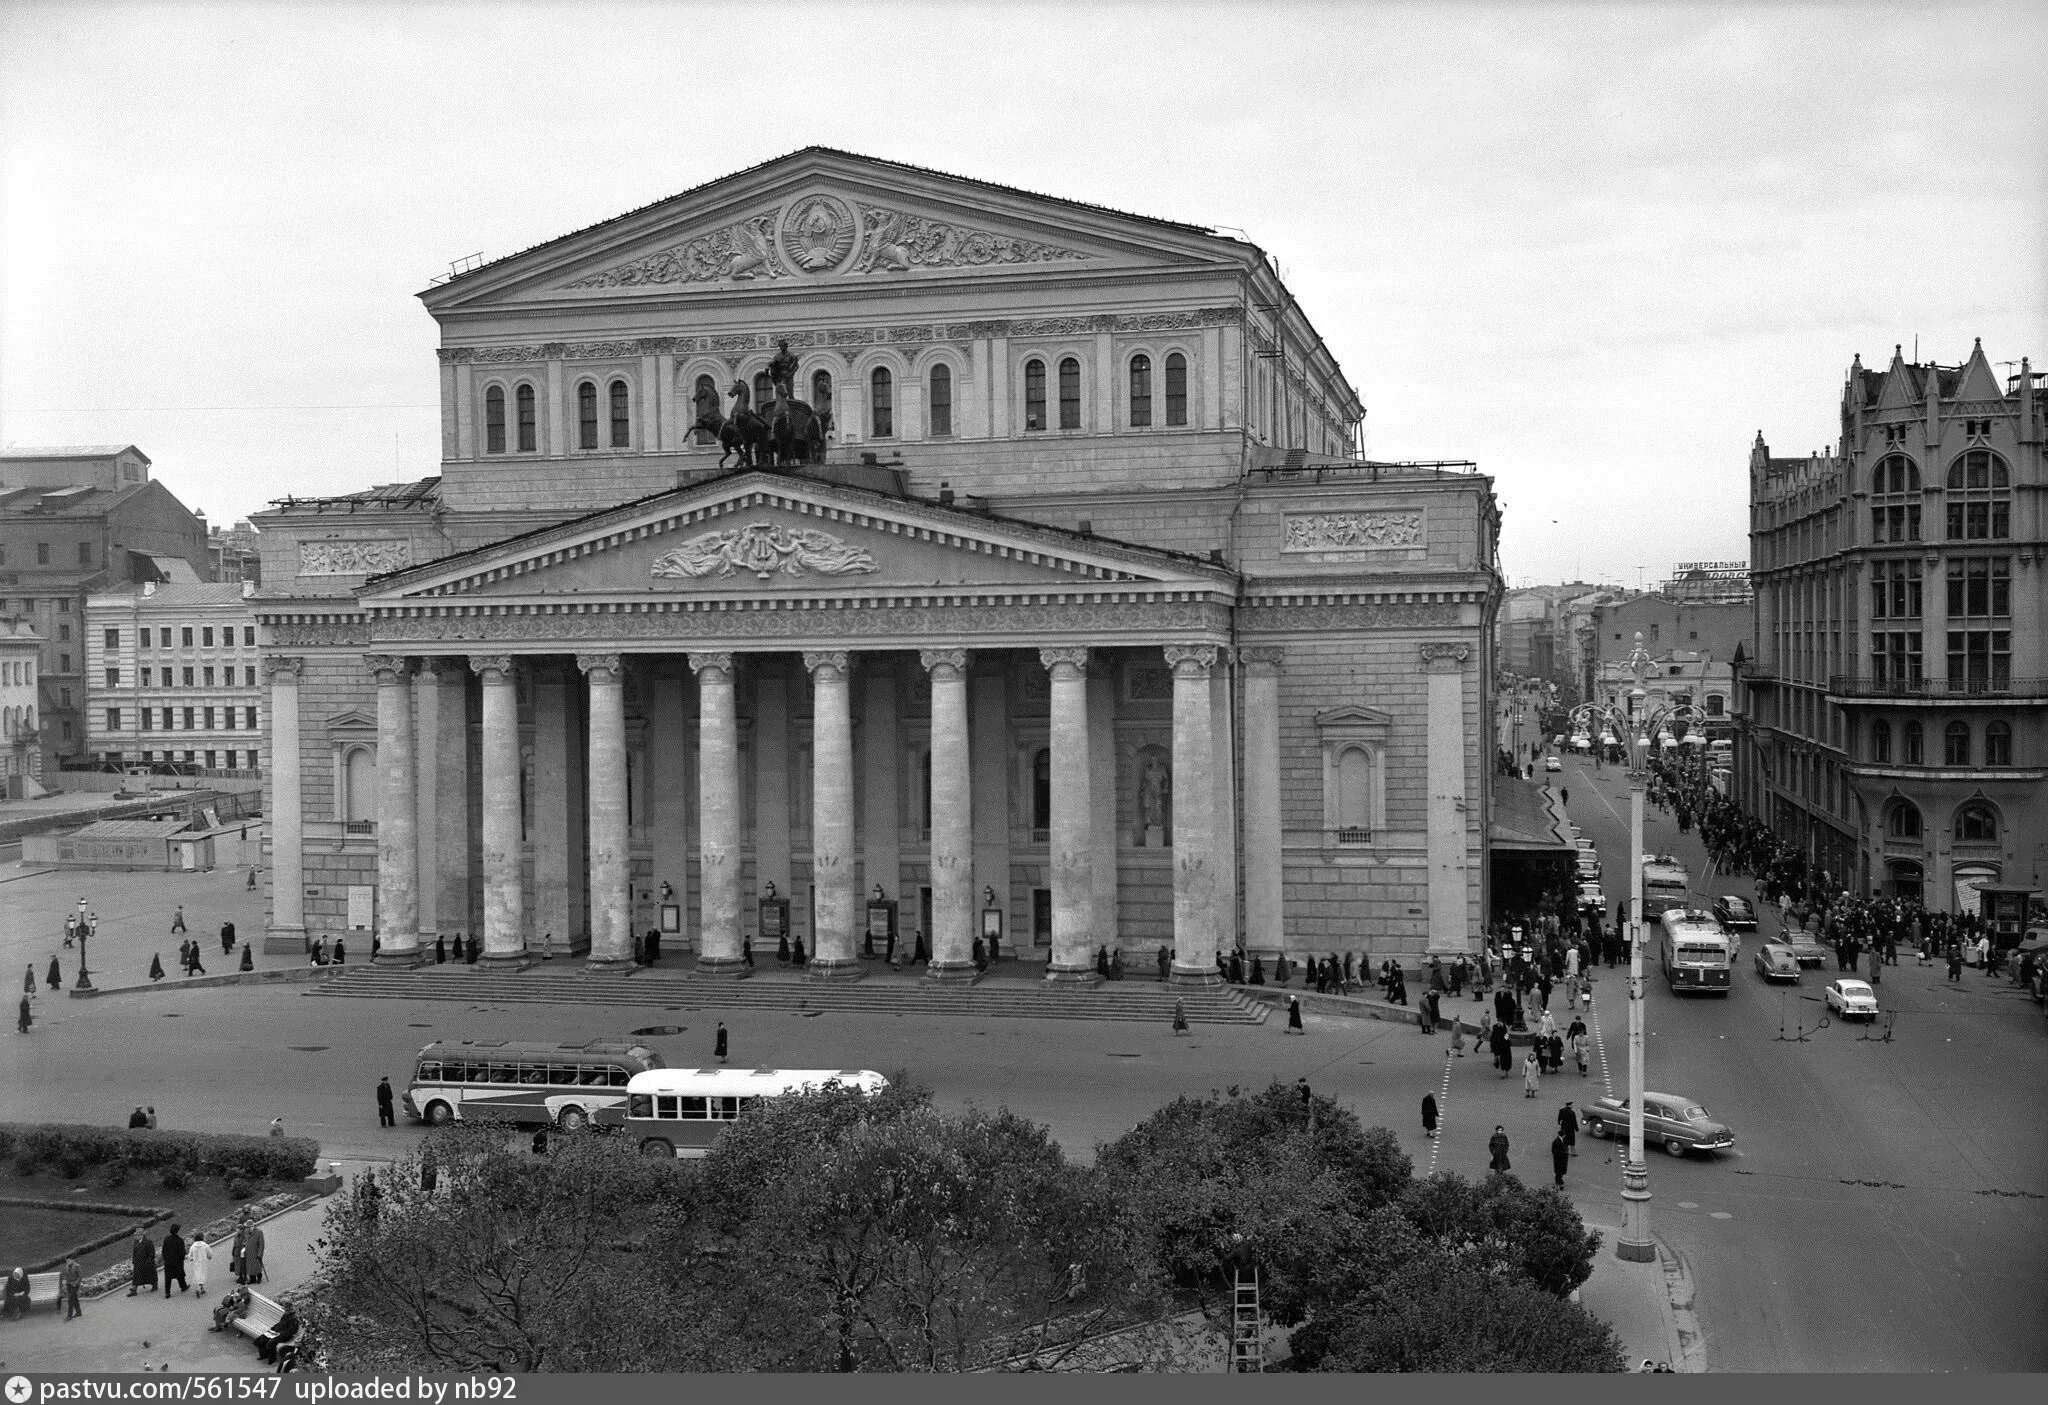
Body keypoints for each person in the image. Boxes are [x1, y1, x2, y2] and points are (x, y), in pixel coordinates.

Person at [129, 1227, 158, 1295]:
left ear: (141, 1235)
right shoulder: (136, 1242)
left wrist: (148, 1261)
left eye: (137, 1235)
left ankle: (155, 1285)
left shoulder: (148, 1242)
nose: (135, 1236)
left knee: (150, 1275)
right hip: (138, 1263)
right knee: (136, 1276)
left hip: (147, 1263)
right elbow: (134, 1252)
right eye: (135, 1235)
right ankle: (134, 1290)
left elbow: (152, 1253)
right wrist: (134, 1260)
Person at [162, 1223, 188, 1294]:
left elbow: (163, 1251)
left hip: (168, 1262)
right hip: (177, 1262)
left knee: (168, 1278)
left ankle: (167, 1293)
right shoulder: (180, 1240)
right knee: (180, 1275)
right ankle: (183, 1287)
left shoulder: (166, 1239)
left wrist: (165, 1259)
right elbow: (182, 1252)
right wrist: (182, 1259)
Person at [242, 1218, 267, 1285]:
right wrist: (244, 1245)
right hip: (248, 1253)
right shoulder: (246, 1232)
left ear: (253, 1226)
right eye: (247, 1227)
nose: (248, 1228)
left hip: (255, 1253)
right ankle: (252, 1279)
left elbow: (261, 1244)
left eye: (249, 1227)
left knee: (257, 1266)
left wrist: (260, 1254)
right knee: (250, 1267)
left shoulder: (259, 1232)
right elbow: (245, 1240)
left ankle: (259, 1277)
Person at [189, 1233, 211, 1298]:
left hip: (195, 1263)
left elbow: (189, 1256)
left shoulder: (193, 1247)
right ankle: (199, 1288)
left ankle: (200, 1288)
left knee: (198, 1275)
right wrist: (209, 1257)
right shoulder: (205, 1245)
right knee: (202, 1275)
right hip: (203, 1263)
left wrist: (192, 1259)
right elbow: (210, 1254)